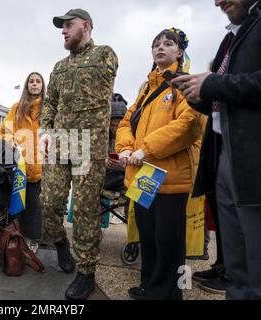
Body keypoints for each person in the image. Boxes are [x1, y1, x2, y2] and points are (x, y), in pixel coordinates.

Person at [173, 0, 261, 300]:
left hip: (252, 160)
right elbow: (222, 98)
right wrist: (197, 94)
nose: (217, 1)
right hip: (224, 154)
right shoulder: (230, 37)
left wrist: (213, 84)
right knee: (236, 262)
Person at [115, 28, 205, 300]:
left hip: (170, 177)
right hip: (143, 176)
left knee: (169, 242)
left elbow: (188, 125)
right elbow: (125, 122)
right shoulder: (145, 88)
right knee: (148, 237)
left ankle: (168, 293)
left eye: (168, 44)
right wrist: (126, 147)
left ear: (179, 52)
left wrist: (146, 149)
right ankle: (149, 286)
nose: (160, 48)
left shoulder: (185, 82)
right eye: (156, 44)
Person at [39, 8, 118, 300]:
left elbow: (101, 90)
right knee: (48, 202)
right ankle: (60, 242)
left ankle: (86, 272)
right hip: (60, 143)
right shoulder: (58, 67)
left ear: (86, 26)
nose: (63, 30)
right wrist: (45, 129)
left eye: (68, 25)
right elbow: (50, 103)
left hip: (88, 145)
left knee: (85, 209)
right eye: (61, 27)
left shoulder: (105, 55)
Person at [0, 72, 46, 253]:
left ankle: (33, 239)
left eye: (38, 81)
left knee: (35, 205)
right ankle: (15, 237)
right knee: (18, 204)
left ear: (43, 86)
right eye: (31, 82)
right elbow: (5, 129)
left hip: (41, 167)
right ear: (27, 85)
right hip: (20, 166)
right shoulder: (16, 108)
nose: (34, 84)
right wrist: (10, 138)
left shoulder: (49, 108)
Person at [104, 96, 127, 225]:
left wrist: (124, 166)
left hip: (125, 177)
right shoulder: (101, 137)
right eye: (113, 125)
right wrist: (104, 163)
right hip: (106, 178)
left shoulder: (130, 136)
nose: (116, 128)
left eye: (120, 125)